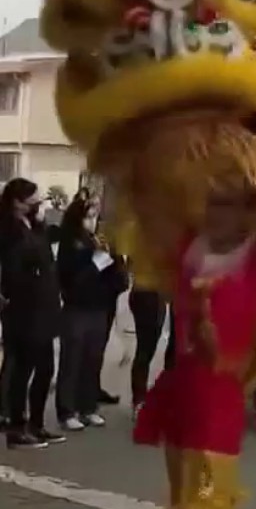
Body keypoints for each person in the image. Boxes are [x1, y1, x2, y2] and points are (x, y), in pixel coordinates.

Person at [132, 176, 256, 509]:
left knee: (207, 507)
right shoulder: (191, 248)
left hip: (218, 394)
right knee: (183, 503)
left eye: (227, 204)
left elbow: (224, 348)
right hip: (183, 384)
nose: (215, 212)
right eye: (212, 202)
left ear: (249, 212)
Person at [1, 178, 65, 449]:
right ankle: (17, 427)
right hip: (23, 310)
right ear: (17, 202)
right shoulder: (9, 230)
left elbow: (51, 242)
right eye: (33, 200)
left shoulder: (34, 227)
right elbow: (15, 271)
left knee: (46, 367)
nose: (38, 204)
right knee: (23, 369)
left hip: (44, 307)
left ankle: (36, 424)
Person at [54, 196, 126, 431]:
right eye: (89, 215)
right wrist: (95, 263)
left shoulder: (98, 240)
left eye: (95, 215)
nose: (93, 221)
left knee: (92, 360)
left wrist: (114, 261)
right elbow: (72, 280)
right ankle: (67, 411)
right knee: (72, 361)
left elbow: (117, 279)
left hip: (99, 308)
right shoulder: (70, 242)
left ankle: (88, 407)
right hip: (77, 308)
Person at [127, 284, 174, 417]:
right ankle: (139, 401)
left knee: (174, 351)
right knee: (146, 348)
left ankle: (167, 398)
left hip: (168, 296)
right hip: (148, 295)